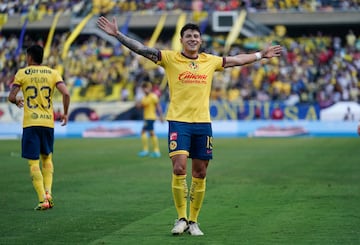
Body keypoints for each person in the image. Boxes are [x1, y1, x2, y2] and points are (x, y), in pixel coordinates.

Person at [97, 16, 282, 236]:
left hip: (203, 123)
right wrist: (118, 35)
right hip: (179, 121)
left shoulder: (210, 61)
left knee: (200, 173)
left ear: (200, 40)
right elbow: (142, 49)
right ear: (181, 40)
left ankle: (194, 221)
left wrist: (261, 55)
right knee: (179, 168)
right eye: (188, 36)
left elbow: (236, 60)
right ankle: (181, 217)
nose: (193, 39)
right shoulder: (169, 58)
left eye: (196, 36)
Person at [8, 45, 70, 211]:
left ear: (29, 57)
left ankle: (43, 199)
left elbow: (11, 96)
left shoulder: (22, 73)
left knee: (33, 162)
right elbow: (66, 93)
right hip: (48, 123)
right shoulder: (53, 73)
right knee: (47, 159)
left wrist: (16, 101)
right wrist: (64, 113)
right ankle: (48, 193)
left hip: (31, 123)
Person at [136, 81, 164, 158]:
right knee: (151, 133)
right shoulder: (144, 98)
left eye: (146, 88)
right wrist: (138, 100)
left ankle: (149, 150)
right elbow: (139, 107)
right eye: (143, 88)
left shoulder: (153, 96)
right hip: (146, 117)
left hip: (151, 117)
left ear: (149, 88)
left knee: (144, 132)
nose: (145, 90)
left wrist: (161, 116)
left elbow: (158, 106)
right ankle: (155, 151)